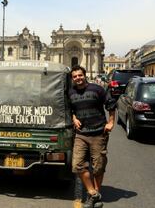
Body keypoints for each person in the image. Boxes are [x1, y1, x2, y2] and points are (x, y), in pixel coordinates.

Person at [68, 65, 116, 208]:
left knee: (98, 168)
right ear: (72, 78)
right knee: (77, 165)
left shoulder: (97, 89)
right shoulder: (71, 93)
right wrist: (74, 118)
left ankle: (93, 197)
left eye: (80, 75)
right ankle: (93, 193)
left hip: (98, 133)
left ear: (85, 75)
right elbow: (71, 109)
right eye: (75, 76)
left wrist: (111, 122)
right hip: (81, 134)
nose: (78, 78)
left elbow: (111, 104)